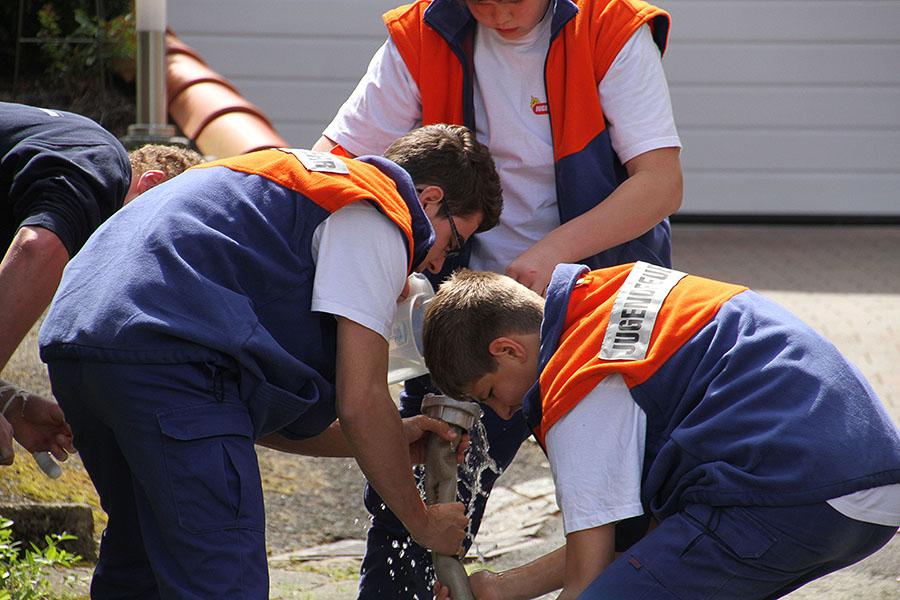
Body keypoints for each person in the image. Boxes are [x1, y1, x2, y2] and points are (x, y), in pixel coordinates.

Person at [37, 123, 503, 598]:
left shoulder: (287, 186)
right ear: (428, 199)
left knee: (140, 567)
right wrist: (422, 522)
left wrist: (391, 438)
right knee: (221, 581)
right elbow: (361, 400)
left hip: (80, 337)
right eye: (452, 241)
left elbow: (240, 417)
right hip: (165, 352)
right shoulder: (378, 208)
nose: (435, 262)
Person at [313, 0, 683, 594]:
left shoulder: (610, 27)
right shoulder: (421, 34)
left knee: (631, 514)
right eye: (481, 1)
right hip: (464, 315)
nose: (501, 14)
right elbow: (336, 166)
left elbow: (661, 184)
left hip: (602, 316)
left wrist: (549, 255)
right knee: (413, 508)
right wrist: (398, 261)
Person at [424, 265, 900, 599]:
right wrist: (502, 589)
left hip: (790, 493)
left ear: (507, 350)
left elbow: (587, 580)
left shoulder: (579, 383)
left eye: (489, 392)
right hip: (865, 485)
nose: (503, 412)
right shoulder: (613, 296)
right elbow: (635, 541)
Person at [0, 101, 202, 471]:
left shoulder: (67, 167)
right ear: (152, 184)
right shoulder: (101, 167)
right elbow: (35, 249)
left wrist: (8, 401)